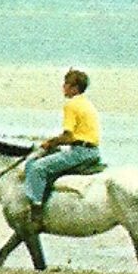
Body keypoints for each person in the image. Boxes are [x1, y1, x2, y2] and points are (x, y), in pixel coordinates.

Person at [23, 69, 102, 216]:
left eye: (66, 84)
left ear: (75, 88)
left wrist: (50, 143)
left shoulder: (71, 105)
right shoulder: (86, 103)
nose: (63, 87)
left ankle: (36, 210)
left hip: (80, 152)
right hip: (92, 150)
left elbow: (68, 137)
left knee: (37, 168)